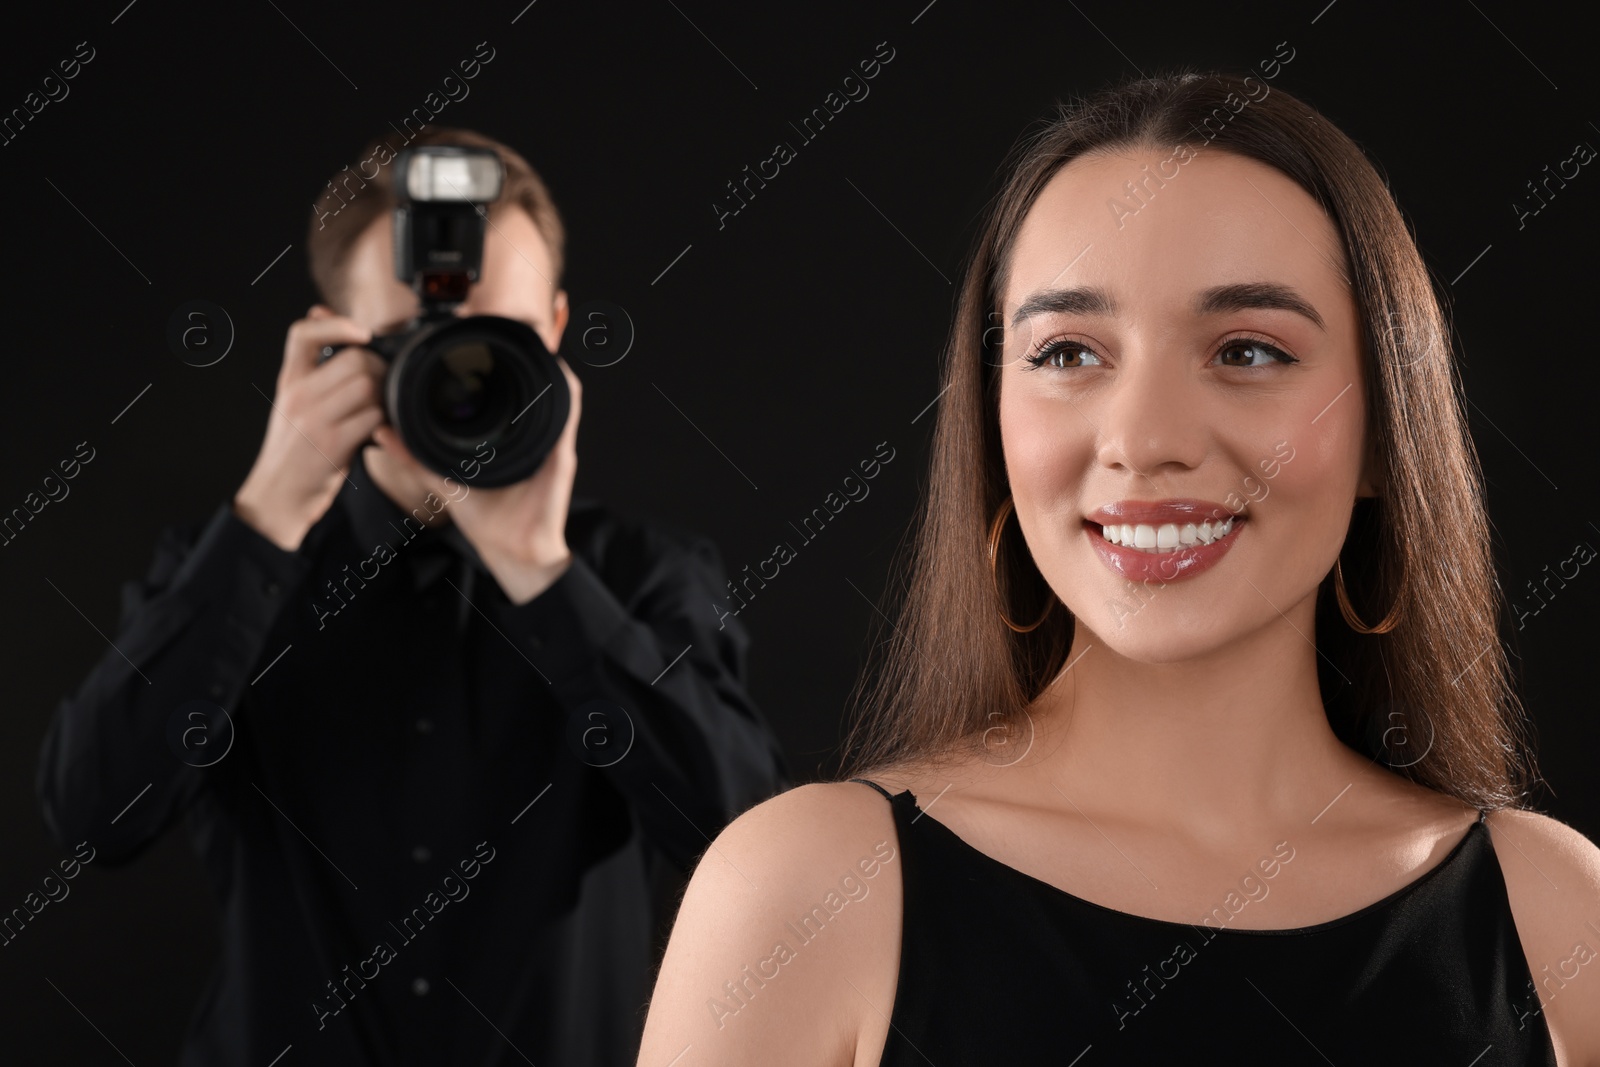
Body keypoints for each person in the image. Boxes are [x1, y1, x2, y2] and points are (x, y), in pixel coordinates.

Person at [634, 70, 1600, 1064]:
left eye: (1249, 350)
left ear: (1382, 432)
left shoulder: (1558, 915)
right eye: (1065, 353)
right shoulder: (806, 894)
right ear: (990, 418)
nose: (1143, 438)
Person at [36, 125, 789, 1066]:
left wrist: (544, 575)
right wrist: (267, 512)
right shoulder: (222, 567)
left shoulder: (643, 574)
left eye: (492, 342)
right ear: (331, 343)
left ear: (554, 334)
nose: (455, 379)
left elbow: (750, 848)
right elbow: (93, 817)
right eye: (413, 344)